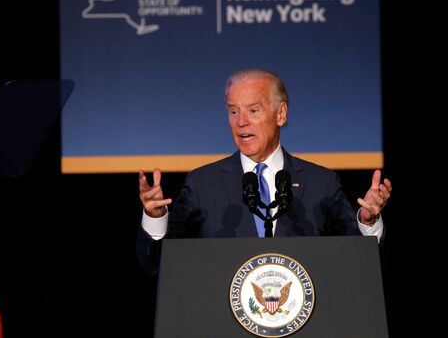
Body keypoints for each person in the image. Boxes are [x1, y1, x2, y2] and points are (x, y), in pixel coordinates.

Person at [136, 69, 392, 271]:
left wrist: (368, 222)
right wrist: (156, 218)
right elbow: (156, 264)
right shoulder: (203, 184)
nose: (240, 122)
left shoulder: (321, 182)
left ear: (280, 114)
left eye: (253, 110)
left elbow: (359, 262)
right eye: (233, 111)